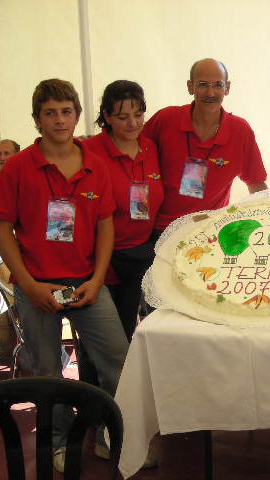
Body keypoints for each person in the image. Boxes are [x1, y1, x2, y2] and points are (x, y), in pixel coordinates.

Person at [0, 79, 129, 473]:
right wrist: (29, 286)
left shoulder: (95, 165)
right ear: (36, 120)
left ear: (78, 115)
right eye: (49, 113)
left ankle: (110, 432)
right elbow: (3, 228)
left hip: (86, 282)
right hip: (36, 287)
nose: (59, 120)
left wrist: (99, 278)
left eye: (66, 111)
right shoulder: (17, 168)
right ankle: (58, 441)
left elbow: (105, 224)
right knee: (48, 372)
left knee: (117, 360)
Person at [142, 58, 267, 234]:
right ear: (190, 87)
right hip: (163, 231)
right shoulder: (166, 119)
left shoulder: (240, 130)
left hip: (211, 233)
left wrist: (266, 224)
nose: (210, 93)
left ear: (227, 88)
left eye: (217, 85)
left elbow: (257, 185)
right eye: (202, 84)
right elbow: (132, 153)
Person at [83, 80, 163, 341]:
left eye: (138, 115)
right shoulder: (89, 151)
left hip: (139, 256)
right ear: (106, 117)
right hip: (100, 261)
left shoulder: (151, 147)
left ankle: (122, 384)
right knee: (101, 341)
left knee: (127, 332)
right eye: (122, 117)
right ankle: (92, 384)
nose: (133, 123)